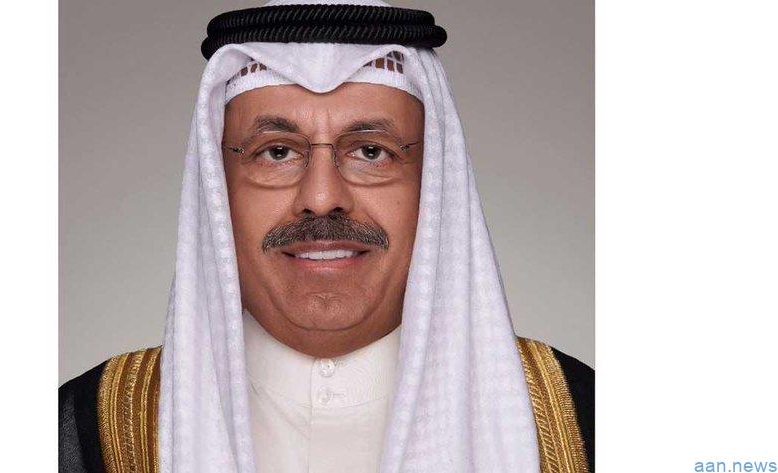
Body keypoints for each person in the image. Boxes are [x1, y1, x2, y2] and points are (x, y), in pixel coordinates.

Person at [59, 1, 593, 472]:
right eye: (276, 152)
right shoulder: (81, 431)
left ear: (435, 183)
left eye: (371, 151)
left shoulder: (585, 421)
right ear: (218, 190)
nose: (320, 196)